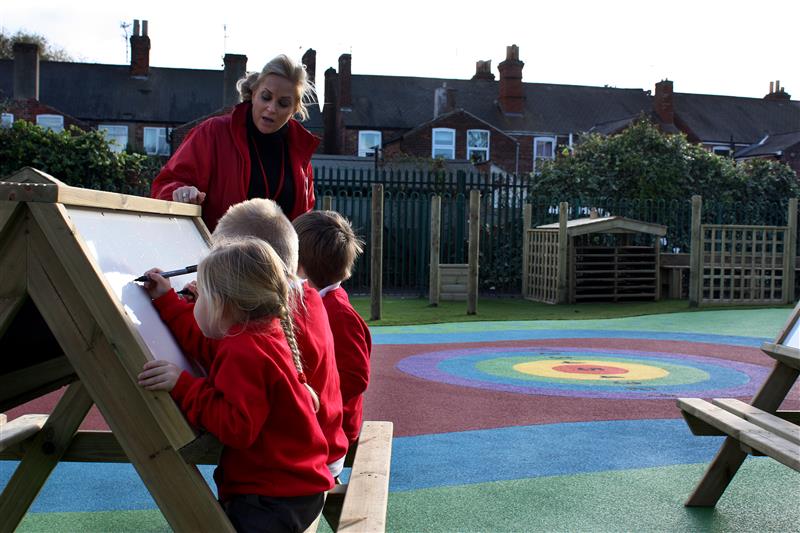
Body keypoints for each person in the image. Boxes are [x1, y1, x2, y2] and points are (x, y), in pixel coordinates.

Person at [137, 237, 333, 533]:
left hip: (272, 500)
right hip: (294, 489)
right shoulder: (257, 331)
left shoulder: (243, 350)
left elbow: (236, 427)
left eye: (200, 297)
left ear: (222, 304)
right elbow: (204, 343)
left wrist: (184, 386)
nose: (194, 302)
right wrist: (167, 301)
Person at [213, 199, 349, 477]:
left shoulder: (264, 321)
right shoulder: (308, 298)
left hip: (306, 463)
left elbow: (209, 348)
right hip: (326, 446)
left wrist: (169, 305)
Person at [150, 54, 319, 232]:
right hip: (218, 257)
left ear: (294, 109)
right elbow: (164, 186)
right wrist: (180, 192)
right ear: (253, 94)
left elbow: (302, 225)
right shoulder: (213, 133)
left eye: (283, 103)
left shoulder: (300, 153)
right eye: (266, 97)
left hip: (279, 259)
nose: (271, 108)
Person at [293, 210, 371, 448]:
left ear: (301, 268)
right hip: (324, 417)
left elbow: (357, 377)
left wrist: (318, 396)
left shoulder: (339, 313)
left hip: (334, 424)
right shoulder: (318, 300)